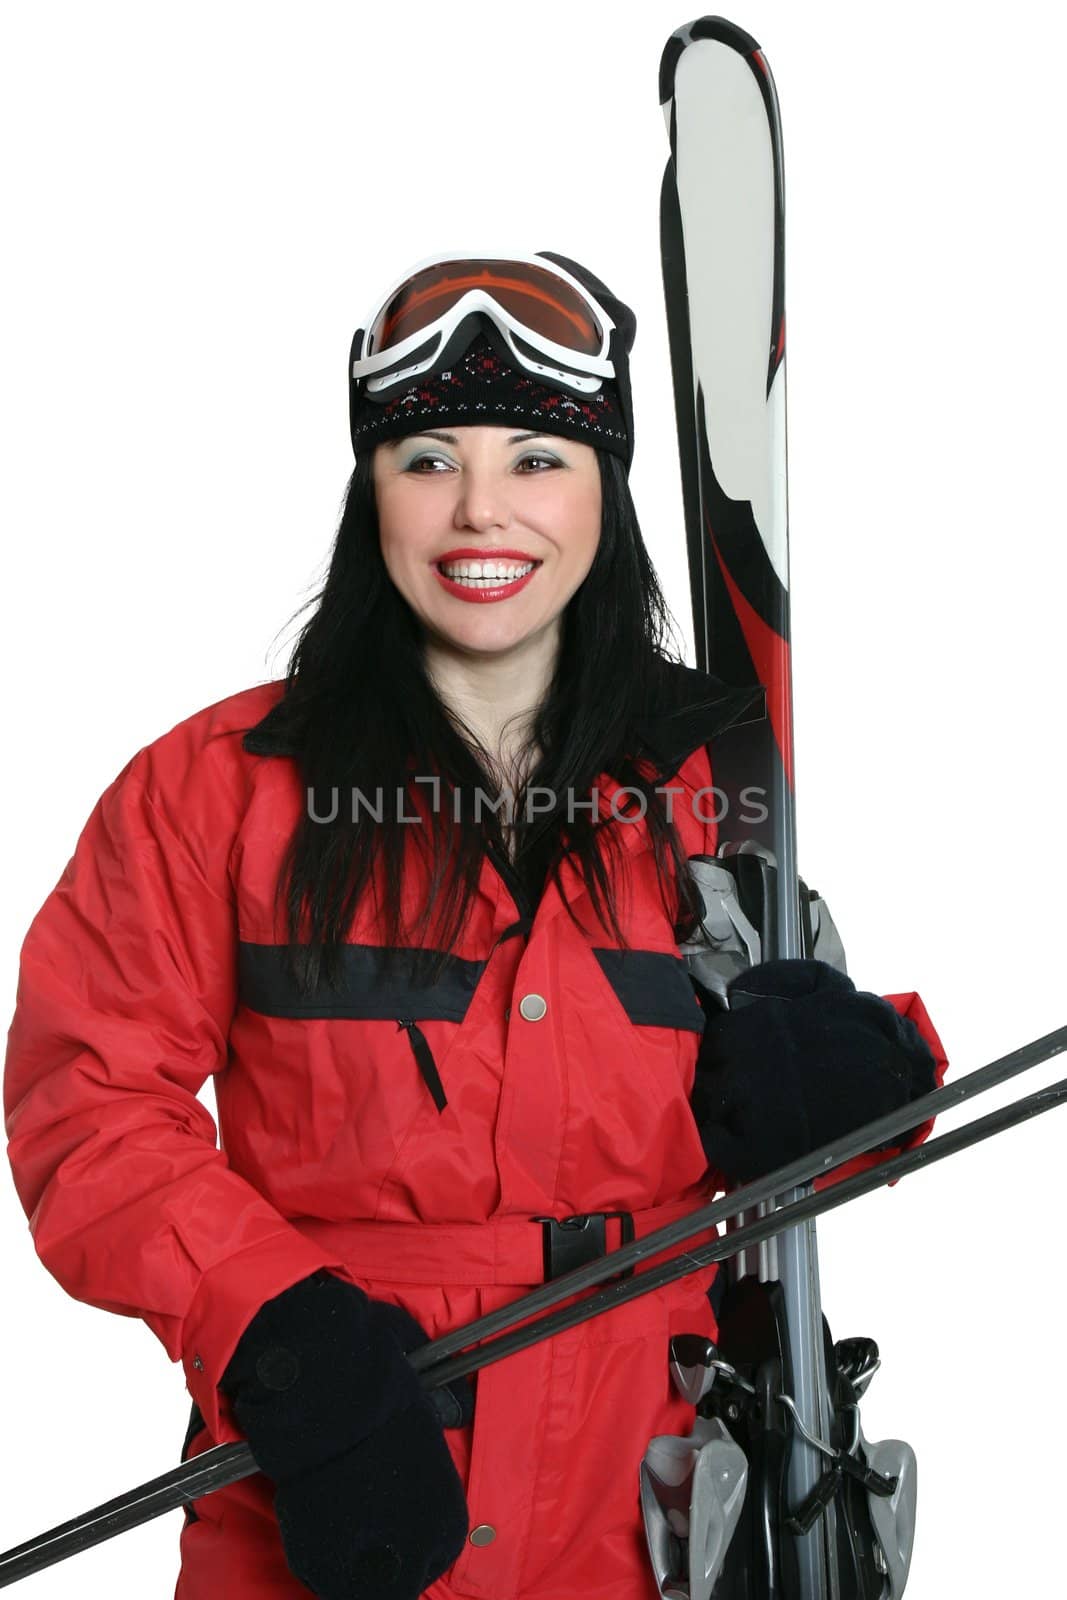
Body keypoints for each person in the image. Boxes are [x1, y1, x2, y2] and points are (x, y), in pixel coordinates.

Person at [3, 252, 947, 1600]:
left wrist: (871, 1079)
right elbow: (85, 1107)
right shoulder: (212, 792)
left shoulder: (702, 792)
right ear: (368, 492)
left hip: (646, 1532)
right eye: (428, 459)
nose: (482, 512)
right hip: (341, 1501)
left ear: (605, 493)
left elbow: (794, 1111)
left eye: (539, 460)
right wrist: (272, 1328)